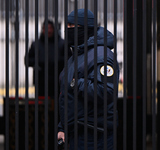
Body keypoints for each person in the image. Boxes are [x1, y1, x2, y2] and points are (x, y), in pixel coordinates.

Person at [57, 9, 119, 150]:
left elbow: (106, 90)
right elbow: (68, 96)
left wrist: (75, 83)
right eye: (67, 26)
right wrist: (63, 127)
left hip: (95, 134)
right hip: (76, 131)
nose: (68, 30)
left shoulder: (101, 55)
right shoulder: (78, 55)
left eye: (73, 26)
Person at [27, 20, 72, 98]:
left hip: (58, 81)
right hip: (41, 81)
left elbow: (70, 60)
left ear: (54, 29)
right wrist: (39, 62)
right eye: (45, 28)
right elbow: (28, 61)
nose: (48, 31)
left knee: (57, 104)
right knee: (42, 105)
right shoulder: (36, 44)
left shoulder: (62, 44)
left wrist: (57, 61)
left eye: (50, 28)